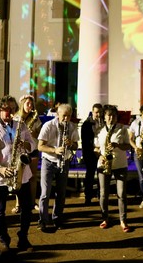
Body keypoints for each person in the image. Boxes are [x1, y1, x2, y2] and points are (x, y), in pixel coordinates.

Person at [0, 95, 35, 255]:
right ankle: (4, 241)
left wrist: (25, 144)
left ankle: (23, 238)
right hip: (1, 175)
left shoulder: (21, 125)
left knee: (27, 208)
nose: (9, 112)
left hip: (21, 173)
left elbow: (32, 145)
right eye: (6, 109)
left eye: (12, 109)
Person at [37, 103, 79, 231]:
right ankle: (43, 220)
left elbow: (76, 146)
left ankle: (57, 219)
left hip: (64, 161)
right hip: (49, 161)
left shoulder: (72, 127)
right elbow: (40, 146)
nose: (66, 119)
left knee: (61, 193)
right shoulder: (48, 126)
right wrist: (54, 150)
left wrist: (71, 144)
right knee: (45, 192)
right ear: (58, 115)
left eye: (69, 116)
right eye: (64, 116)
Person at [95, 104, 132, 231]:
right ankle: (105, 218)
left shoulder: (122, 129)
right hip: (104, 164)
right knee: (103, 193)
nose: (111, 118)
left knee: (121, 193)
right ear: (104, 117)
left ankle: (123, 220)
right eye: (108, 115)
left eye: (113, 115)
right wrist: (99, 154)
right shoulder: (100, 130)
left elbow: (128, 146)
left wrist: (118, 145)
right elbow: (95, 147)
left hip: (120, 164)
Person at [11, 95, 42, 214]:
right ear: (22, 104)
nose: (30, 106)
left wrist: (34, 133)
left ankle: (32, 202)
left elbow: (41, 133)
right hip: (20, 150)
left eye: (31, 104)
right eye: (28, 103)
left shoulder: (35, 117)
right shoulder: (16, 117)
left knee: (33, 177)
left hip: (32, 148)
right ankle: (18, 204)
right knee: (18, 177)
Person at [81, 103, 103, 206]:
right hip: (90, 152)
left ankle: (100, 196)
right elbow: (85, 141)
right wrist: (93, 149)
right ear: (92, 112)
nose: (98, 114)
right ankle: (88, 197)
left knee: (101, 175)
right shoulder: (86, 124)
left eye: (100, 112)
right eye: (96, 112)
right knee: (90, 175)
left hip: (101, 152)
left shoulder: (104, 122)